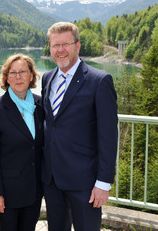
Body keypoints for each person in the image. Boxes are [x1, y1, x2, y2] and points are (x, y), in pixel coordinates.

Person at [41, 22, 118, 231]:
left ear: (78, 45)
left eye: (66, 44)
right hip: (52, 180)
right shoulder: (48, 78)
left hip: (85, 182)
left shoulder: (99, 81)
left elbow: (108, 136)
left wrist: (103, 182)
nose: (60, 50)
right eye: (55, 45)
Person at [0, 53, 44, 231]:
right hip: (8, 194)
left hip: (34, 190)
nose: (18, 77)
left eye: (23, 72)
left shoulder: (40, 105)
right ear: (6, 77)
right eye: (13, 73)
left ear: (31, 76)